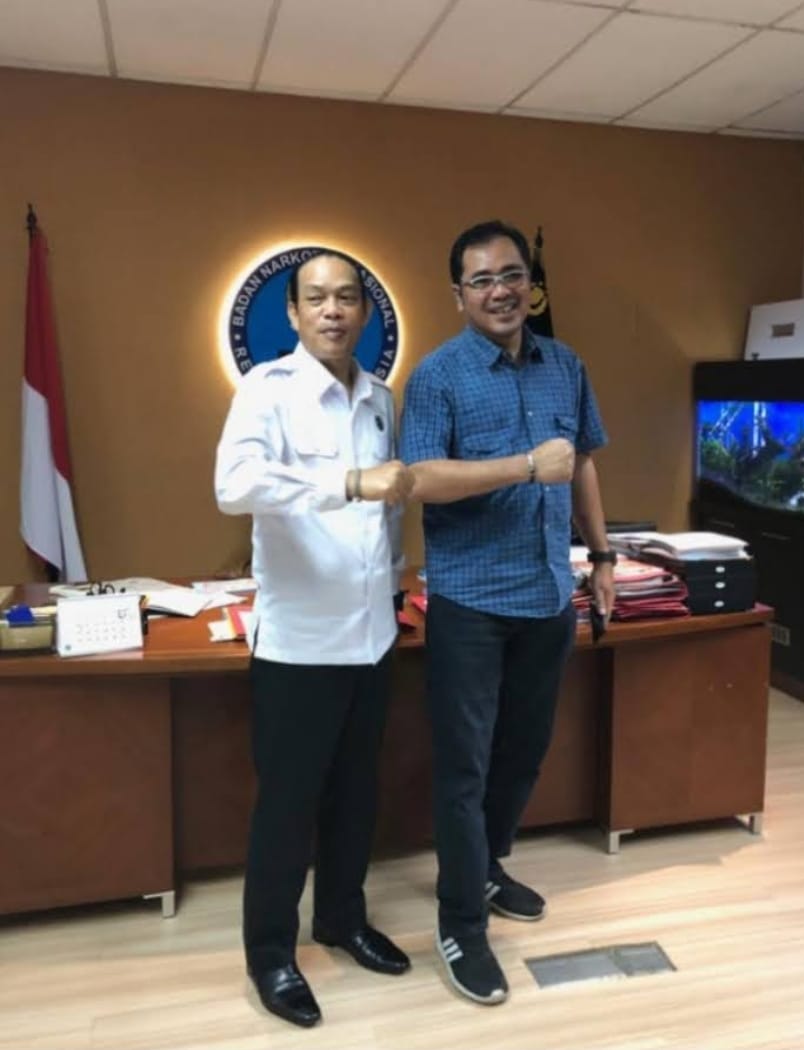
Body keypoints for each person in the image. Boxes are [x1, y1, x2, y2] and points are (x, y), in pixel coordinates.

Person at [399, 219, 615, 1006]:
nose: (501, 291)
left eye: (512, 275)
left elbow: (580, 463)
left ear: (532, 283)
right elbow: (421, 478)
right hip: (471, 604)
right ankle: (460, 923)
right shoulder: (438, 376)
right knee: (464, 767)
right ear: (458, 294)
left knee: (522, 754)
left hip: (548, 597)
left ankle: (485, 869)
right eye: (483, 279)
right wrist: (523, 466)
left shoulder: (567, 365)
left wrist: (602, 556)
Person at [215, 250, 414, 1029]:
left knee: (356, 793)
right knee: (288, 807)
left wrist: (395, 587)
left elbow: (390, 512)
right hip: (299, 645)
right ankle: (271, 953)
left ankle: (341, 918)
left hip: (371, 635)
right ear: (294, 314)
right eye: (317, 299)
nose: (333, 310)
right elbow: (234, 486)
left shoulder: (380, 397)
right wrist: (347, 482)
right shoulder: (268, 390)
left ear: (364, 311)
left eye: (347, 298)